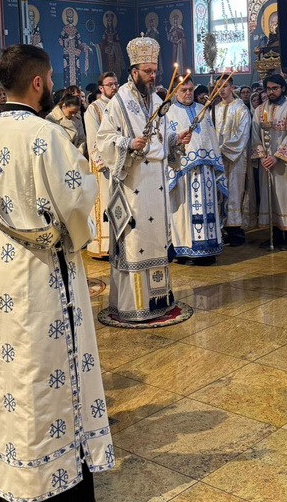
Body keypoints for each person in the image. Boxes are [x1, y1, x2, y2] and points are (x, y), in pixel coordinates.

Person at [0, 44, 113, 502]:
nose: (51, 86)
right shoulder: (45, 135)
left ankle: (0, 469)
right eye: (49, 79)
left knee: (2, 371)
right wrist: (81, 216)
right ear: (37, 82)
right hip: (41, 276)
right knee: (43, 370)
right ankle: (48, 475)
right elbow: (76, 198)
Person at [96, 36, 192, 321]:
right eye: (147, 71)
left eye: (154, 71)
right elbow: (104, 140)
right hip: (133, 184)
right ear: (134, 70)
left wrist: (176, 140)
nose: (152, 76)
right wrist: (128, 143)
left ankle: (158, 301)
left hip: (156, 185)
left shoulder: (158, 101)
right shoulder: (119, 102)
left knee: (157, 241)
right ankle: (133, 305)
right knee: (135, 242)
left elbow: (162, 138)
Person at [167, 75, 227, 264]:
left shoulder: (203, 110)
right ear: (175, 92)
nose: (188, 93)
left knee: (208, 210)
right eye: (184, 90)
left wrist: (215, 163)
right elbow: (165, 141)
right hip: (183, 173)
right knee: (184, 212)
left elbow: (211, 140)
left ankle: (208, 249)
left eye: (191, 90)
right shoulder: (169, 113)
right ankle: (185, 250)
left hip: (206, 172)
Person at [251, 74, 287, 250]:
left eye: (275, 88)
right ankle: (274, 235)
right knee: (269, 197)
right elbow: (255, 136)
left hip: (285, 164)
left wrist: (276, 157)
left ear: (283, 88)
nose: (271, 92)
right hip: (266, 164)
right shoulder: (260, 110)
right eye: (268, 89)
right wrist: (262, 156)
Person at [214, 76, 254, 246]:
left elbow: (242, 134)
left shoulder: (241, 109)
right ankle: (223, 229)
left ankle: (236, 231)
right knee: (220, 193)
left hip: (235, 158)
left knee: (235, 191)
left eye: (224, 86)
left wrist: (222, 149)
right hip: (217, 159)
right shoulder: (214, 109)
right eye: (218, 86)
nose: (221, 90)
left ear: (232, 88)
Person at [84, 71, 119, 258]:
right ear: (101, 88)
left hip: (120, 161)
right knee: (104, 202)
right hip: (104, 165)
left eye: (115, 84)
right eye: (110, 85)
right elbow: (93, 137)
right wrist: (101, 162)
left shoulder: (121, 105)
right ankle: (103, 245)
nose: (114, 87)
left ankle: (119, 243)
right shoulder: (94, 108)